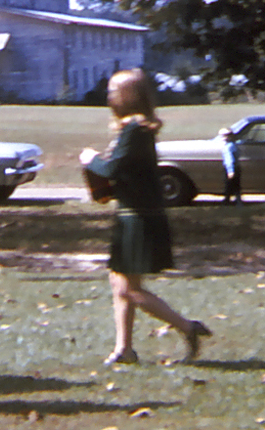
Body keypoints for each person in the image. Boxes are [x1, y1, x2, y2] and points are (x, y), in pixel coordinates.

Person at [80, 68, 211, 365]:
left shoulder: (136, 130)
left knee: (129, 290)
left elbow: (111, 169)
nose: (109, 95)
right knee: (119, 285)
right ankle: (124, 350)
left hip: (140, 218)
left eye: (114, 90)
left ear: (130, 96)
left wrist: (90, 159)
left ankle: (187, 328)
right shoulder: (134, 129)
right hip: (130, 214)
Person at [219, 128, 242, 205]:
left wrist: (230, 171)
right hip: (237, 167)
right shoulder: (234, 145)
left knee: (229, 185)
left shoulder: (228, 147)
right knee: (236, 186)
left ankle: (228, 201)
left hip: (231, 168)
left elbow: (229, 159)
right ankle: (236, 201)